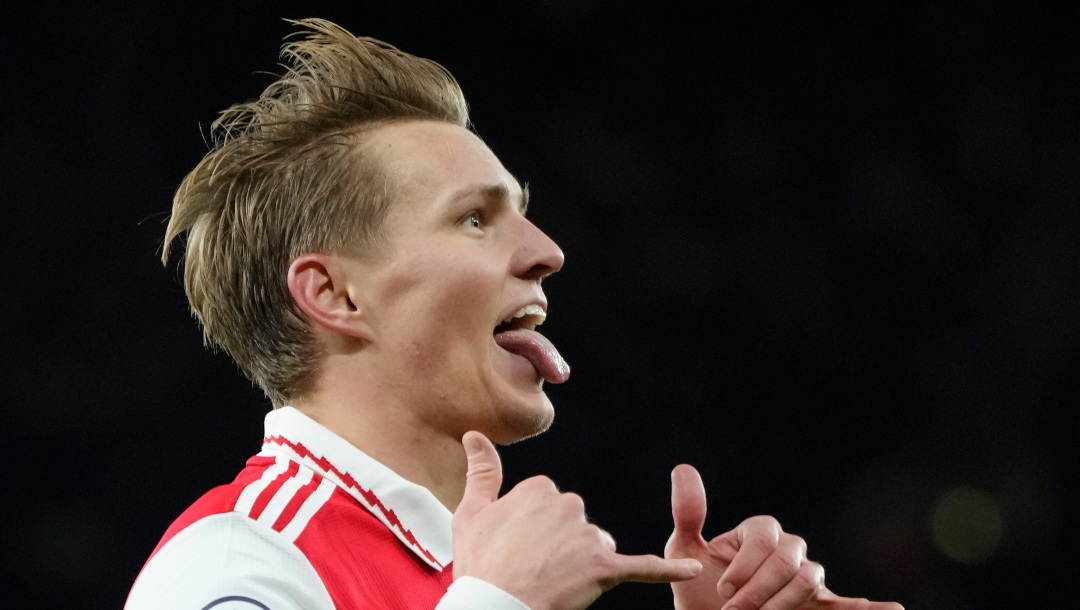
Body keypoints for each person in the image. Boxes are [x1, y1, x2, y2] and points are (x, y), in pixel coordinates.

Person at [125, 18, 903, 610]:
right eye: (474, 218)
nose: (547, 250)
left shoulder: (483, 569)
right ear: (335, 295)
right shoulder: (240, 562)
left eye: (522, 213)